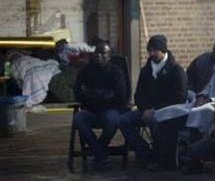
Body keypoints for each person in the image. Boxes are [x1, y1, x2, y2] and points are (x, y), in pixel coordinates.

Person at [118, 35, 188, 168]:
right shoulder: (146, 70)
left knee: (155, 122)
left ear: (163, 51)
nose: (151, 53)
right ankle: (145, 153)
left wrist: (155, 110)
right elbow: (138, 95)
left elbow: (180, 97)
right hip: (146, 110)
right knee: (123, 120)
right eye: (149, 50)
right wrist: (144, 109)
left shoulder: (176, 71)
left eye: (155, 50)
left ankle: (159, 157)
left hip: (168, 113)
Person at [72, 40, 128, 170]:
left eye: (103, 53)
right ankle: (100, 153)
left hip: (109, 111)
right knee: (79, 118)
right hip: (90, 110)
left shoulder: (116, 72)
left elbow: (121, 97)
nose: (99, 56)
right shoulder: (85, 71)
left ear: (110, 55)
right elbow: (78, 93)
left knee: (113, 119)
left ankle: (98, 151)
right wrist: (104, 95)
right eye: (97, 53)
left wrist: (93, 94)